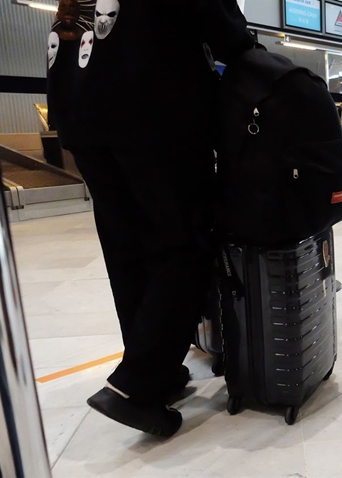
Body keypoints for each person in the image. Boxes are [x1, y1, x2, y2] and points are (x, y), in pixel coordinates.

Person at [47, 0, 254, 437]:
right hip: (152, 106)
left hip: (81, 106)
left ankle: (152, 365)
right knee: (183, 242)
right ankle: (137, 386)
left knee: (126, 244)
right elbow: (224, 28)